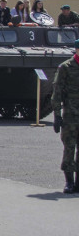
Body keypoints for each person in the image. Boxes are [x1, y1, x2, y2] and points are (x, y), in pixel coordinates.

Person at [51, 39, 79, 194]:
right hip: (71, 115)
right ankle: (69, 182)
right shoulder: (65, 67)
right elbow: (57, 92)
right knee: (69, 148)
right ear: (76, 50)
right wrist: (56, 115)